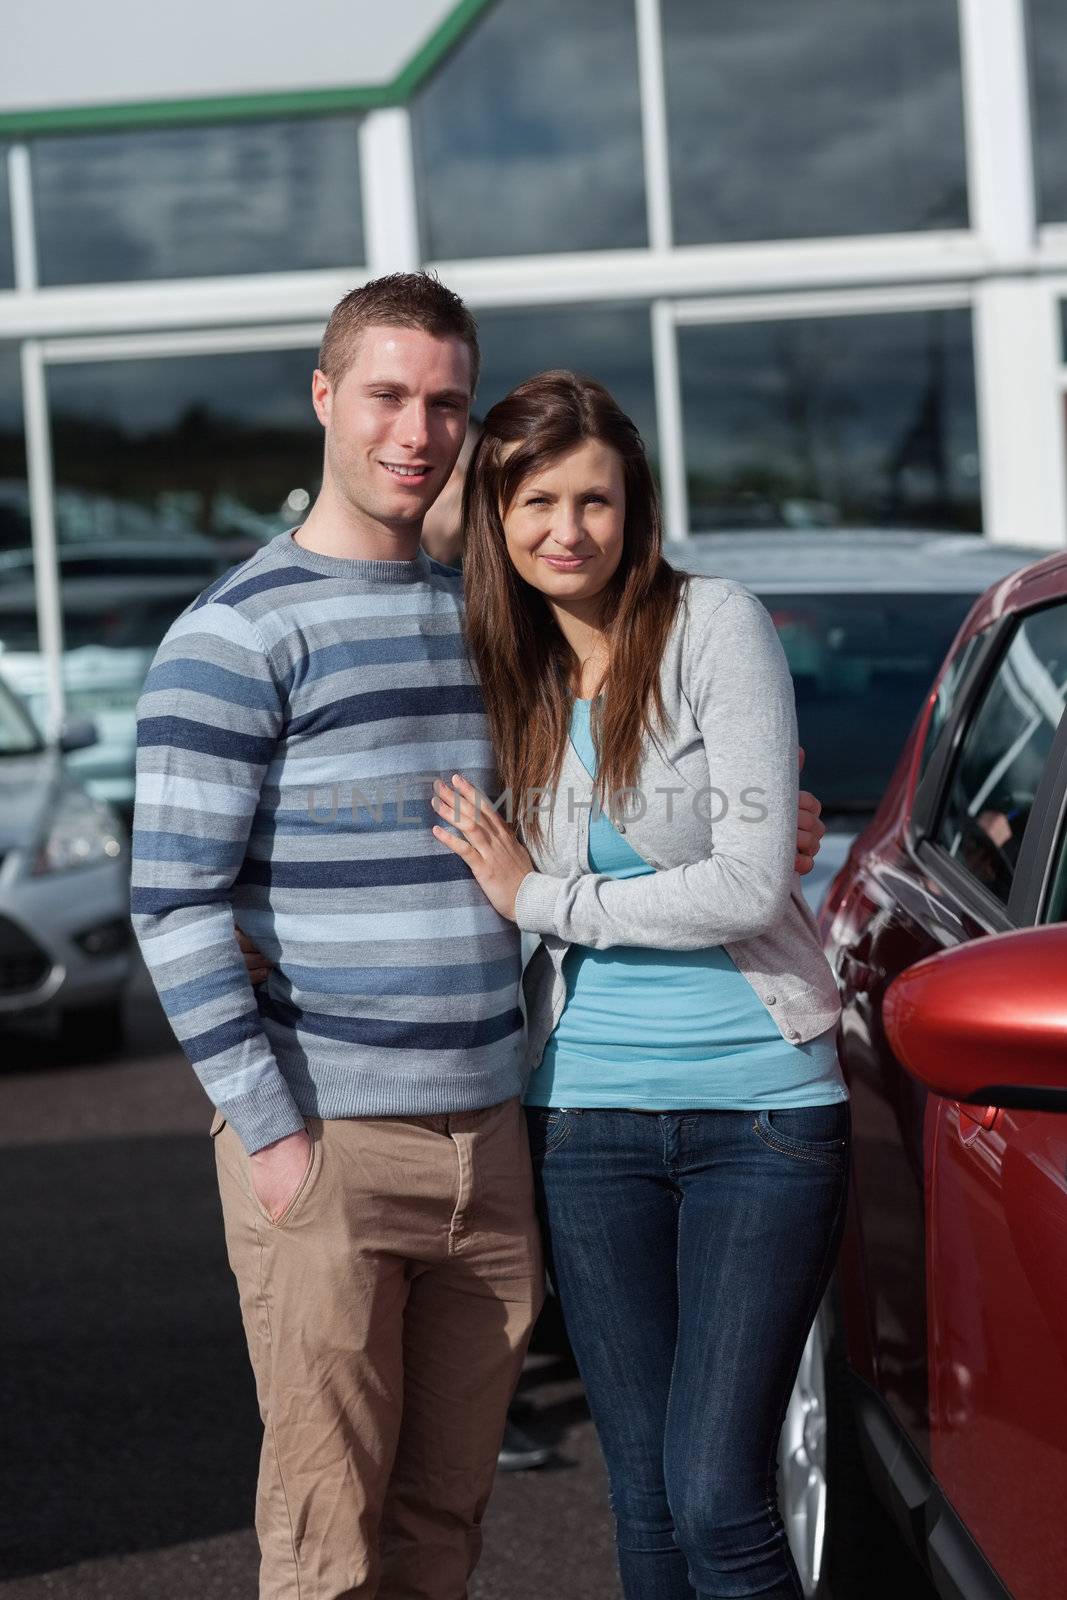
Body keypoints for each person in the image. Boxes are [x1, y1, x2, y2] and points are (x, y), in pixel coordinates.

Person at [135, 269, 826, 1599]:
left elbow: (603, 782)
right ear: (325, 399)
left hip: (499, 1138)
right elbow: (173, 900)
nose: (416, 429)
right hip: (331, 1143)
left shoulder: (483, 619)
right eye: (387, 394)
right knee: (327, 1542)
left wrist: (764, 821)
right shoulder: (234, 634)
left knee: (442, 1529)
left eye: (444, 402)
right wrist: (272, 1137)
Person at [426, 370, 849, 1600]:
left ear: (636, 506)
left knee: (718, 1500)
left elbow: (745, 887)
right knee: (645, 1504)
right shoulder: (504, 673)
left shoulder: (715, 624)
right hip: (586, 1119)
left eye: (595, 498)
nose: (569, 529)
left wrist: (542, 898)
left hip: (761, 1117)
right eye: (536, 500)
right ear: (497, 517)